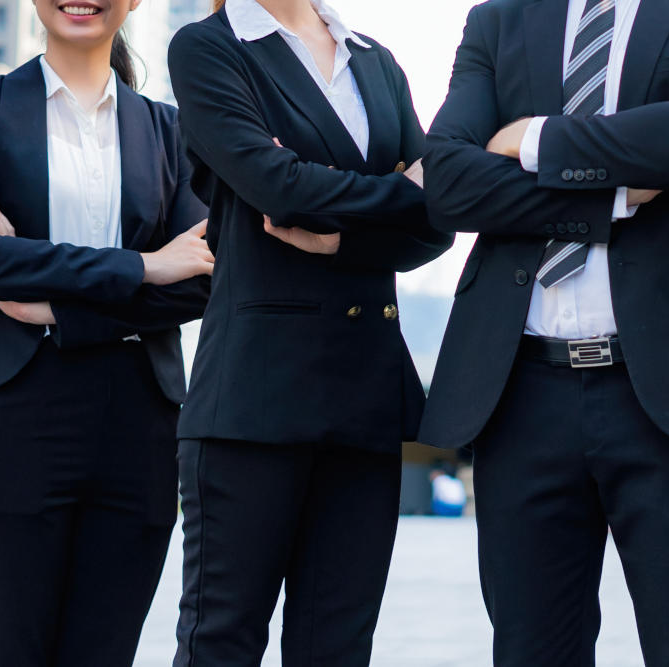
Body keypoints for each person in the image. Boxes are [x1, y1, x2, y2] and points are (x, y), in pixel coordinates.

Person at [418, 0, 669, 663]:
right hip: (521, 390)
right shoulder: (499, 18)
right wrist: (618, 188)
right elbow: (448, 181)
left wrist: (532, 139)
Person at [165, 0, 452, 662]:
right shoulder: (209, 48)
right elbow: (278, 190)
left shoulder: (374, 61)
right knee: (222, 641)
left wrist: (342, 238)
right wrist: (406, 190)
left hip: (367, 394)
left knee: (339, 648)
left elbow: (438, 222)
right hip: (254, 396)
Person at [0, 0, 215, 661]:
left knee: (104, 650)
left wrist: (59, 308)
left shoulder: (170, 129)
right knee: (3, 647)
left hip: (138, 423)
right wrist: (143, 266)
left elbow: (202, 275)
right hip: (14, 406)